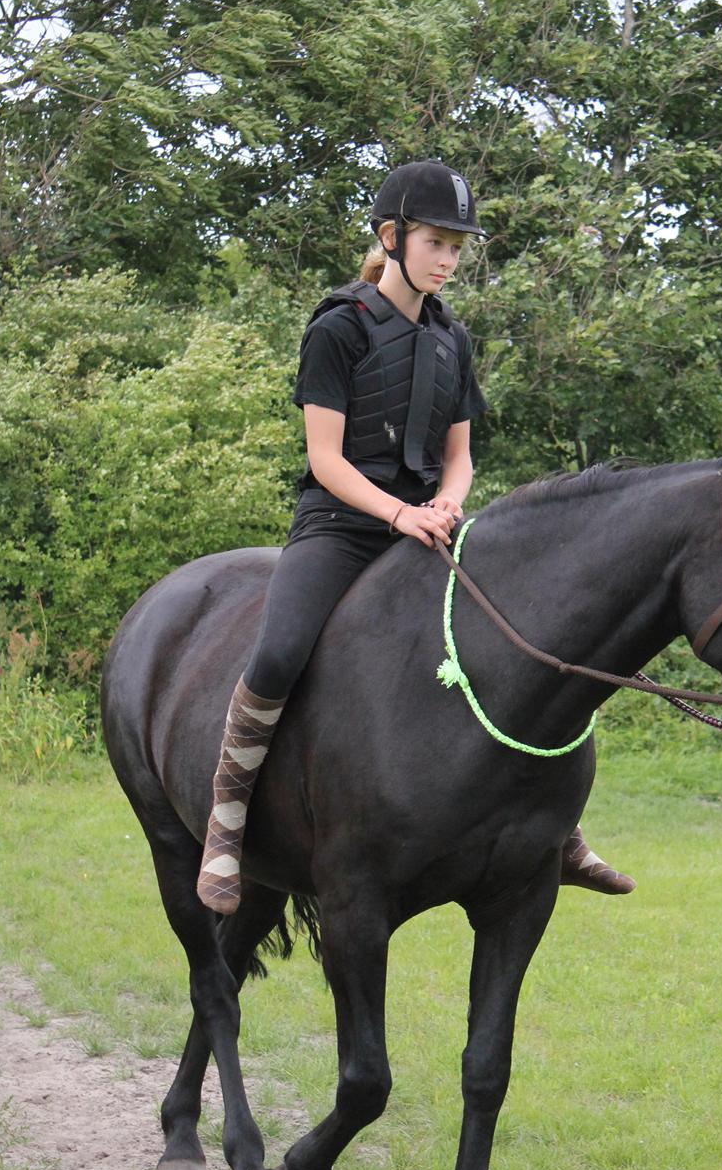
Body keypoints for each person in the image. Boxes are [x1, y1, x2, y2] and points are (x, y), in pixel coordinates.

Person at [196, 160, 635, 914]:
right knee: (277, 650)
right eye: (436, 242)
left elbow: (460, 457)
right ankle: (227, 826)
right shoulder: (339, 328)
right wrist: (400, 513)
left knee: (527, 640)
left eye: (457, 248)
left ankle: (555, 828)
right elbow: (325, 460)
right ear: (391, 236)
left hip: (428, 529)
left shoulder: (449, 339)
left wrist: (444, 505)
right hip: (341, 527)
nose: (448, 260)